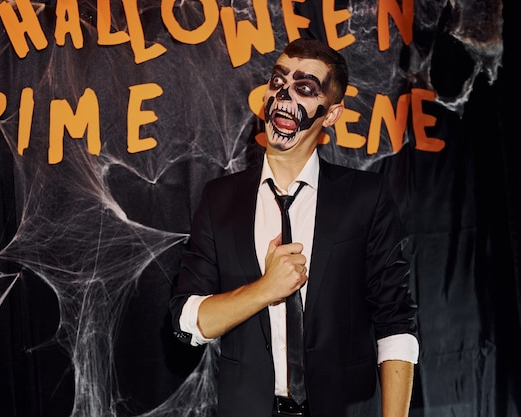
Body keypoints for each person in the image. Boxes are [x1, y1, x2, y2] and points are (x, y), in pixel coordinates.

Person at [169, 37, 419, 417]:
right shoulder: (220, 199)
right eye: (277, 81)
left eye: (304, 89)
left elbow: (396, 321)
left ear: (331, 114)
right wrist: (265, 290)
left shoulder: (365, 197)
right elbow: (187, 321)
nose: (284, 96)